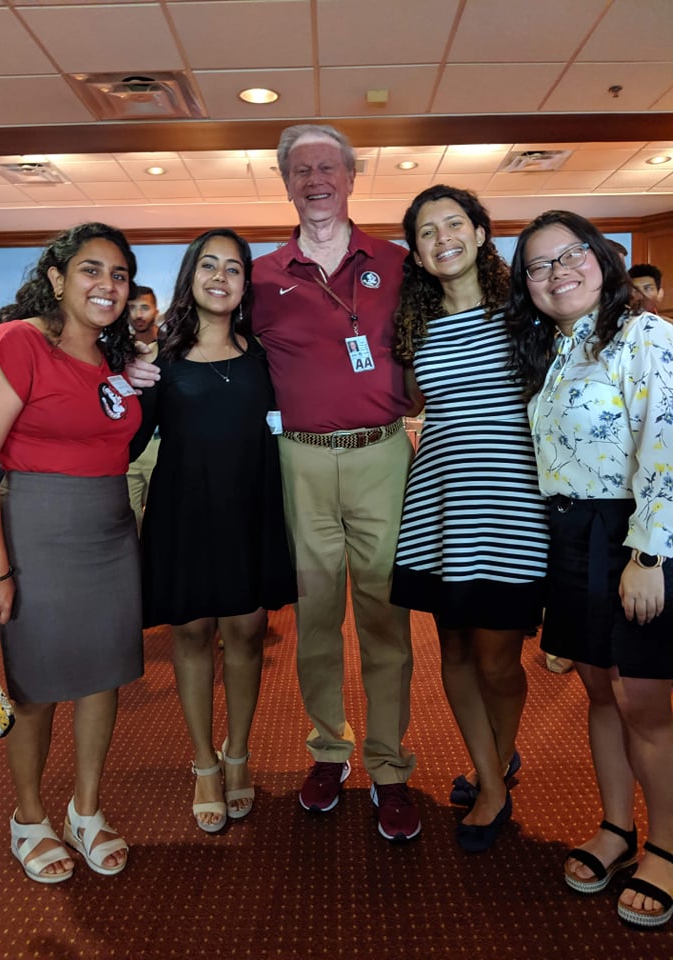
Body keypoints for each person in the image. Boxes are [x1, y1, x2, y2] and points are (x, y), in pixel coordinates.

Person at [0, 222, 143, 883]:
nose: (108, 285)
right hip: (35, 529)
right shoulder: (15, 343)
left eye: (120, 274)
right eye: (92, 270)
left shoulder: (113, 357)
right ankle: (29, 816)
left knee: (104, 674)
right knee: (34, 687)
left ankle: (85, 810)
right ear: (58, 278)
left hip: (111, 530)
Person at [252, 124, 422, 841]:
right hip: (300, 459)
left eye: (328, 167)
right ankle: (329, 749)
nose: (315, 178)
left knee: (386, 616)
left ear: (352, 177)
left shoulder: (399, 261)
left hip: (384, 452)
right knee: (316, 618)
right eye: (300, 170)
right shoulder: (261, 275)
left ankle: (387, 765)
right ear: (286, 183)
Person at [507, 209, 673, 929]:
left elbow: (667, 447)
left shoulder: (647, 336)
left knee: (644, 701)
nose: (557, 273)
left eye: (570, 255)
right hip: (570, 534)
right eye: (539, 266)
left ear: (601, 259)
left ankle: (667, 846)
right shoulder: (551, 348)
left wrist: (648, 554)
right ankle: (616, 827)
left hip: (634, 533)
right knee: (599, 690)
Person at [390, 185, 549, 852]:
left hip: (512, 506)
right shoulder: (413, 324)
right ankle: (489, 776)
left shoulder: (526, 313)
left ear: (482, 233)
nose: (442, 238)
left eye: (454, 223)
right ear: (419, 253)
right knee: (452, 646)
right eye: (426, 232)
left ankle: (497, 766)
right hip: (439, 506)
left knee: (498, 660)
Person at [130, 229, 296, 834]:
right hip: (184, 511)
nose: (221, 276)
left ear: (245, 282)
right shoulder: (160, 363)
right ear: (190, 278)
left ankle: (238, 751)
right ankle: (203, 762)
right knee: (194, 633)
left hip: (251, 507)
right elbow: (127, 441)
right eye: (209, 265)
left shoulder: (263, 355)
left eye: (233, 267)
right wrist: (120, 382)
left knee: (248, 631)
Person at [126, 285, 161, 531]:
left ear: (156, 311)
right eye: (132, 308)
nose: (139, 314)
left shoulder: (175, 347)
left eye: (144, 307)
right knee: (129, 521)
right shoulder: (117, 351)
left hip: (161, 447)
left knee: (164, 519)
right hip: (127, 451)